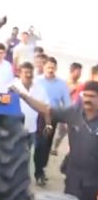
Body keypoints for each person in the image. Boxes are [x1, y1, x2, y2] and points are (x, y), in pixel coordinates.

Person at [12, 81, 98, 200]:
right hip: (74, 178)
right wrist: (24, 95)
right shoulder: (73, 113)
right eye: (85, 96)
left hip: (96, 181)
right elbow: (46, 109)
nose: (87, 100)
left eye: (92, 97)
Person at [32, 57, 71, 185]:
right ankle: (38, 172)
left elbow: (66, 102)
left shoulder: (61, 84)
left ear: (56, 69)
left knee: (47, 144)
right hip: (37, 114)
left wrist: (68, 119)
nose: (50, 69)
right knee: (40, 143)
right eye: (48, 67)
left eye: (53, 67)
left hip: (52, 116)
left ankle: (41, 169)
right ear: (44, 67)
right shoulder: (37, 81)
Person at [13, 62, 49, 153]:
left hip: (32, 129)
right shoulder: (12, 87)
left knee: (29, 155)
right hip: (15, 129)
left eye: (31, 72)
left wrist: (48, 124)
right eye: (26, 72)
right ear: (20, 73)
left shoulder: (40, 88)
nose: (29, 75)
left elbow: (46, 107)